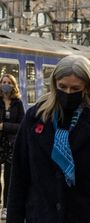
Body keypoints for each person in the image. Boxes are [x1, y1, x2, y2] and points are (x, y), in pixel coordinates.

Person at [7, 55, 90, 223]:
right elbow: (19, 178)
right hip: (41, 216)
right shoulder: (34, 118)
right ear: (54, 83)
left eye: (75, 88)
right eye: (62, 87)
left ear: (87, 87)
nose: (68, 93)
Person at [0, 74, 24, 220]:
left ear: (13, 85)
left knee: (9, 177)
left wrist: (4, 126)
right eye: (3, 82)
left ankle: (5, 207)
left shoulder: (18, 103)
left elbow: (22, 124)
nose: (6, 84)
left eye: (9, 82)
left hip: (11, 145)